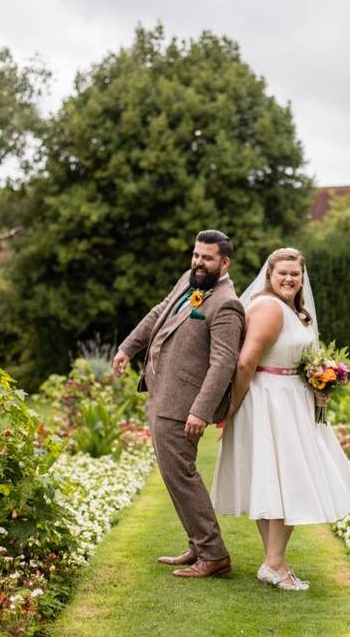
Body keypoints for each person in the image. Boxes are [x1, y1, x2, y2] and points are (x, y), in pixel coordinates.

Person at [211, 247, 350, 590]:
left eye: (295, 274)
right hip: (270, 401)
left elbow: (299, 358)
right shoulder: (268, 308)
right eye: (282, 272)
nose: (289, 278)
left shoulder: (298, 312)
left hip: (292, 398)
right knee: (289, 480)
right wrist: (231, 410)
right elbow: (246, 362)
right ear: (269, 274)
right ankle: (275, 564)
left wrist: (321, 381)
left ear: (302, 277)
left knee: (276, 480)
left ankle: (272, 562)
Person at [112, 229, 245, 578]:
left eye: (207, 257)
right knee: (174, 475)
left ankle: (213, 553)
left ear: (225, 262)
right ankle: (197, 546)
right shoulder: (189, 280)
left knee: (181, 475)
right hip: (163, 394)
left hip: (185, 405)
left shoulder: (227, 304)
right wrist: (128, 347)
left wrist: (201, 411)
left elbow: (223, 363)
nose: (199, 262)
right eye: (196, 255)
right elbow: (159, 313)